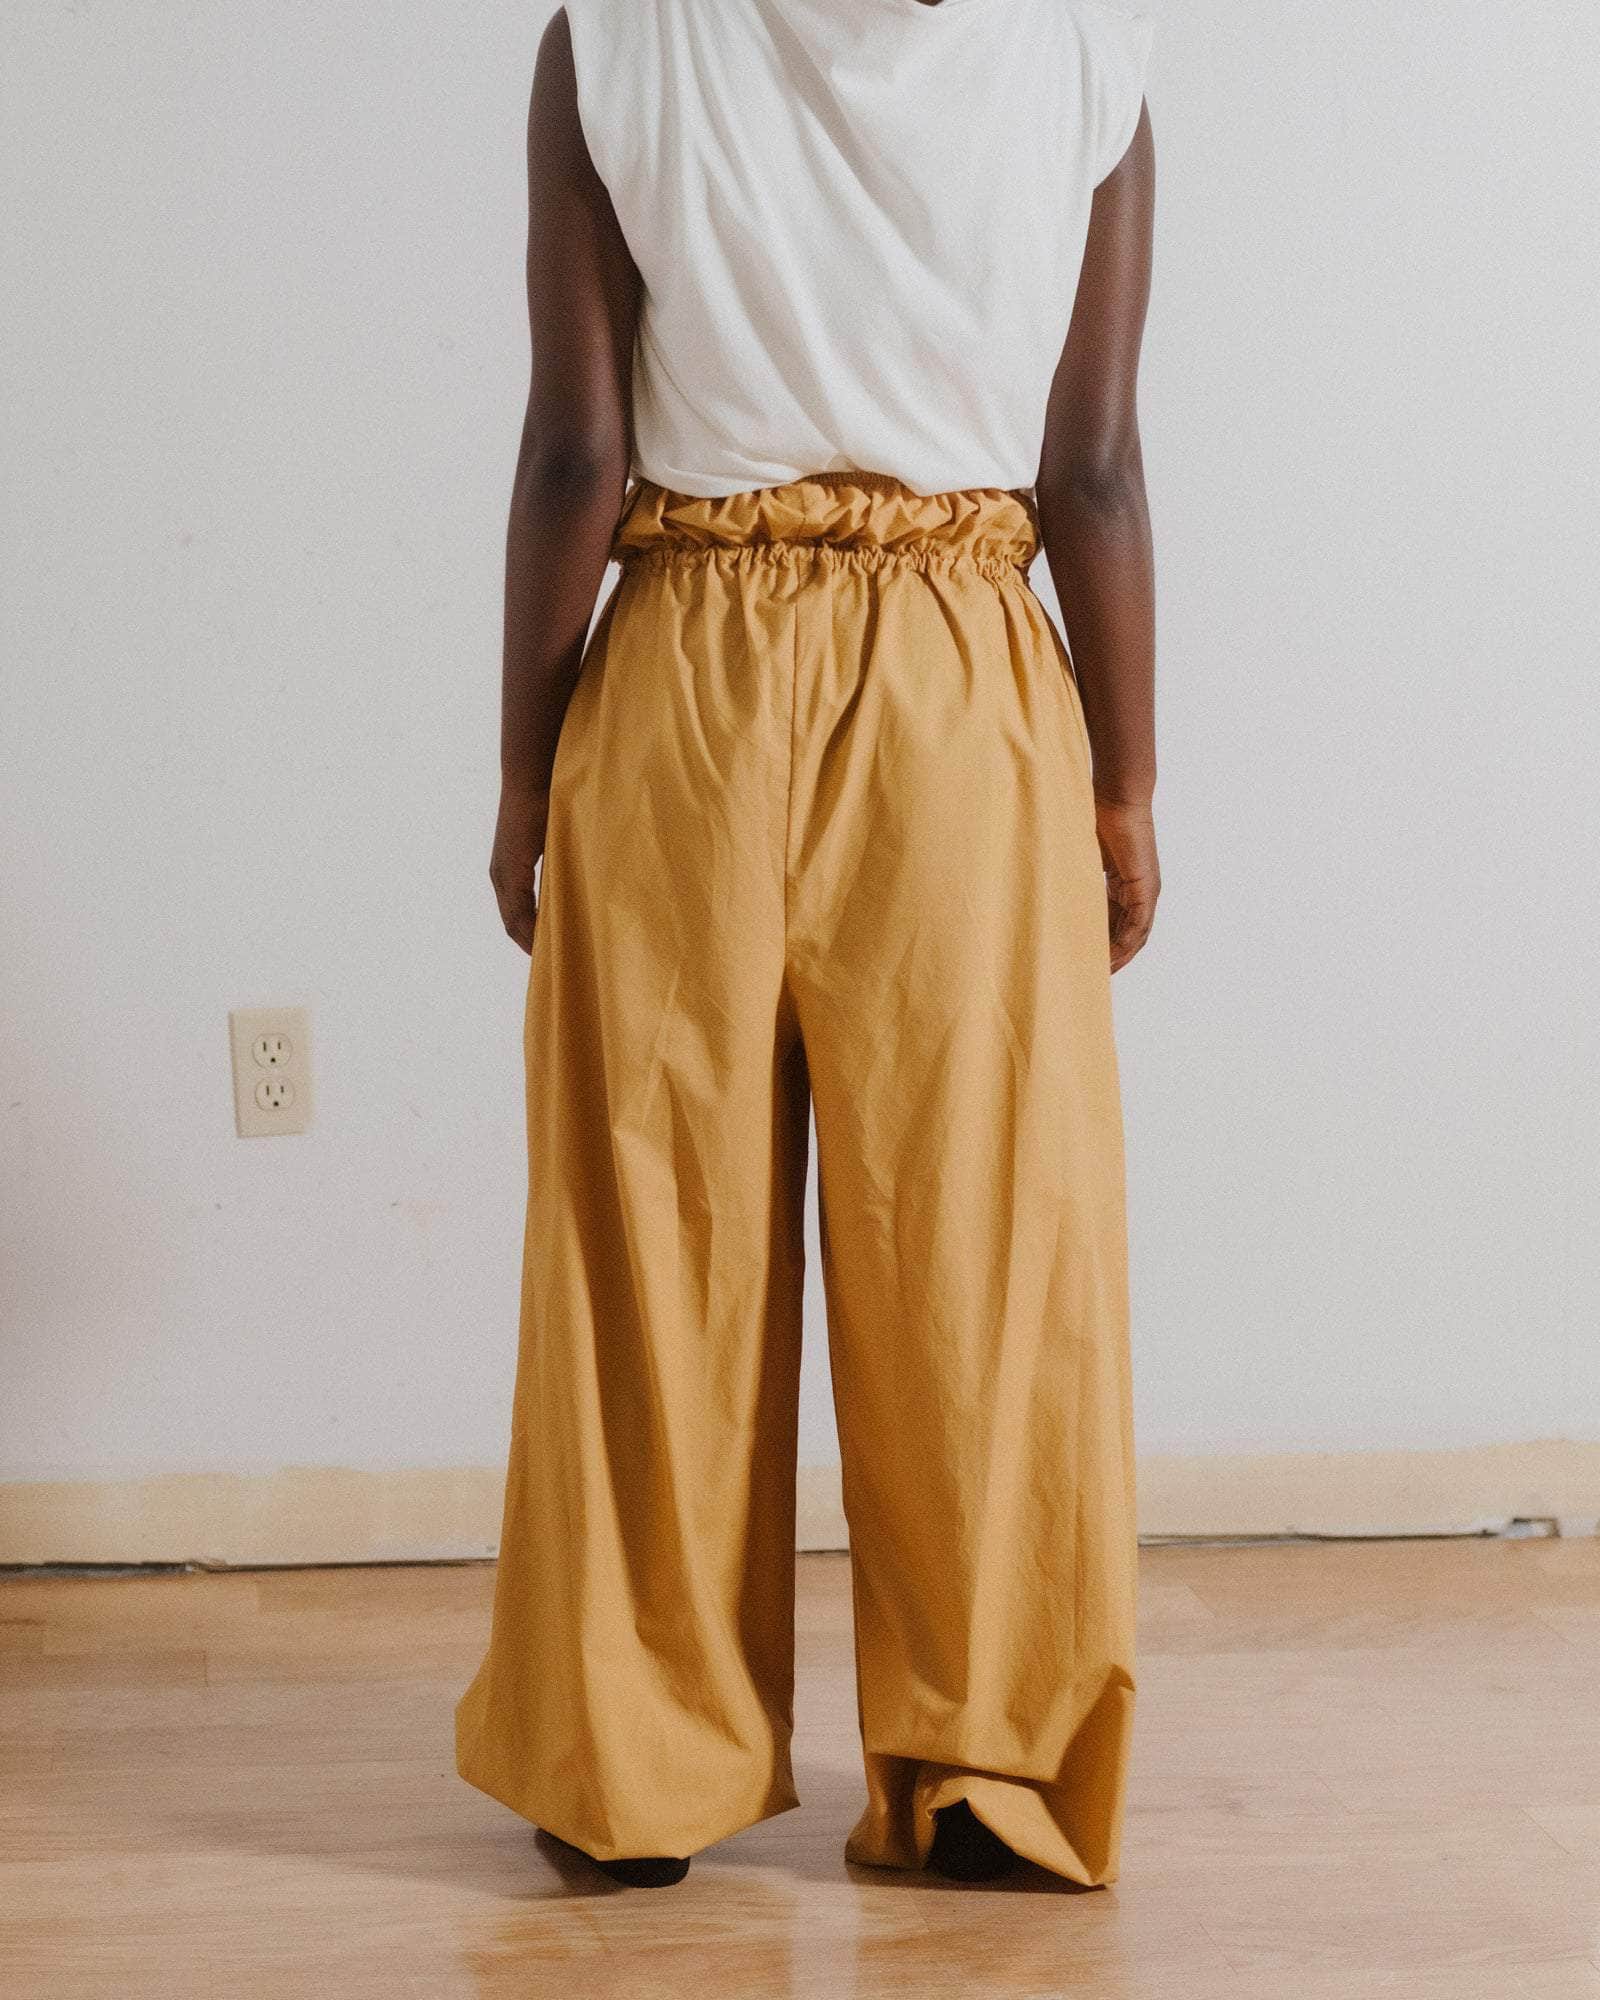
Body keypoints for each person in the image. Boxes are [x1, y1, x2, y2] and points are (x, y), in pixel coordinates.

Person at [454, 0, 1159, 1891]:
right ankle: (990, 1768)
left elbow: (575, 451)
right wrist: (1124, 783)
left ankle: (628, 1767)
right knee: (981, 1237)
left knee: (649, 1227)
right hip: (966, 678)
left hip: (686, 668)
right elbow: (1093, 469)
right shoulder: (1085, 60)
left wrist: (523, 772)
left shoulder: (619, 38)